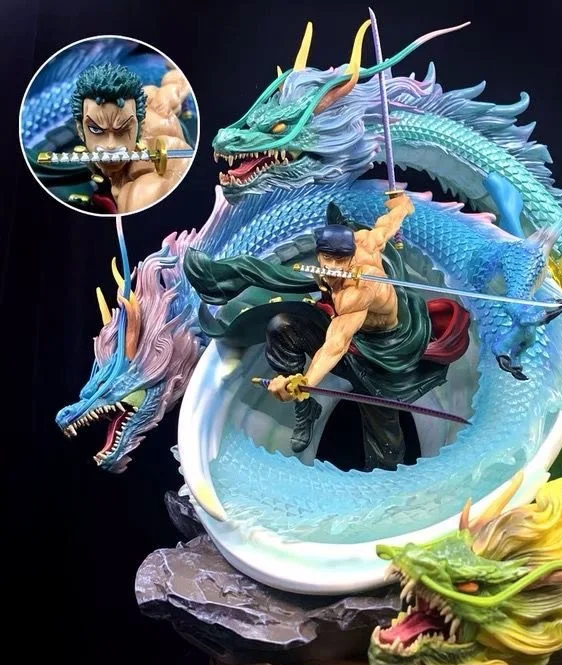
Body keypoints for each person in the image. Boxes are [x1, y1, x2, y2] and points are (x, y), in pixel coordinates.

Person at [184, 193, 471, 471]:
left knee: (382, 429)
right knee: (282, 327)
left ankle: (386, 483)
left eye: (340, 260)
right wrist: (402, 206)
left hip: (383, 354)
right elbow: (387, 224)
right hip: (350, 332)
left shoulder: (358, 292)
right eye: (326, 258)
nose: (332, 267)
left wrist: (305, 381)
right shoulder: (365, 240)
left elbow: (336, 343)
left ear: (352, 256)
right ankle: (306, 408)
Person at [69, 62, 193, 213]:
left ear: (140, 125)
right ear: (80, 130)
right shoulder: (151, 98)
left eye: (123, 129)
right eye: (96, 129)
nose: (110, 145)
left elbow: (177, 84)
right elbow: (175, 82)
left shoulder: (141, 190)